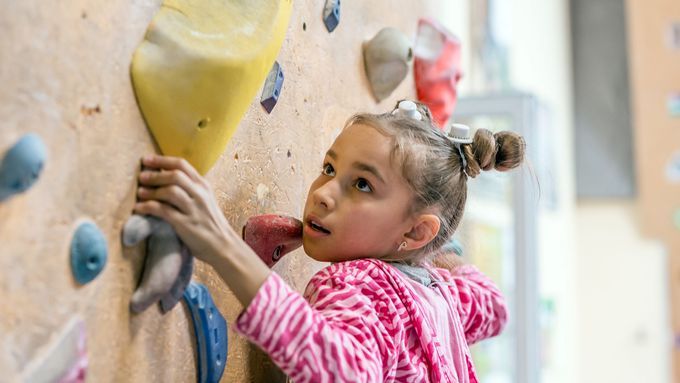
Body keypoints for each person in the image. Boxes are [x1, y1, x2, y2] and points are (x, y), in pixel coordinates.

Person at [133, 100, 525, 382]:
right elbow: (492, 304)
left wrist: (218, 241)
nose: (322, 193)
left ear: (415, 231)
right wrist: (428, 250)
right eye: (329, 168)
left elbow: (344, 372)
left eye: (362, 184)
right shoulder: (439, 296)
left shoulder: (358, 285)